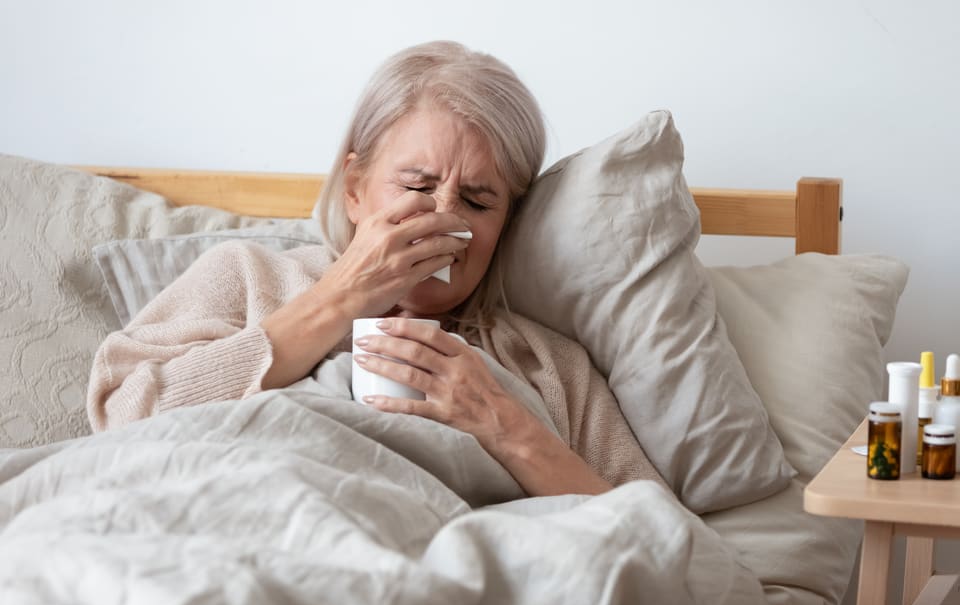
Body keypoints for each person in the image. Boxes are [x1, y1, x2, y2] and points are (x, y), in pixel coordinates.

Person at [87, 41, 663, 498]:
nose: (442, 219)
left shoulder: (546, 364)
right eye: (416, 185)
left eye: (479, 202)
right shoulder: (247, 276)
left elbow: (664, 545)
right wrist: (339, 298)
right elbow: (122, 423)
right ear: (356, 190)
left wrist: (506, 426)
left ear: (506, 227)